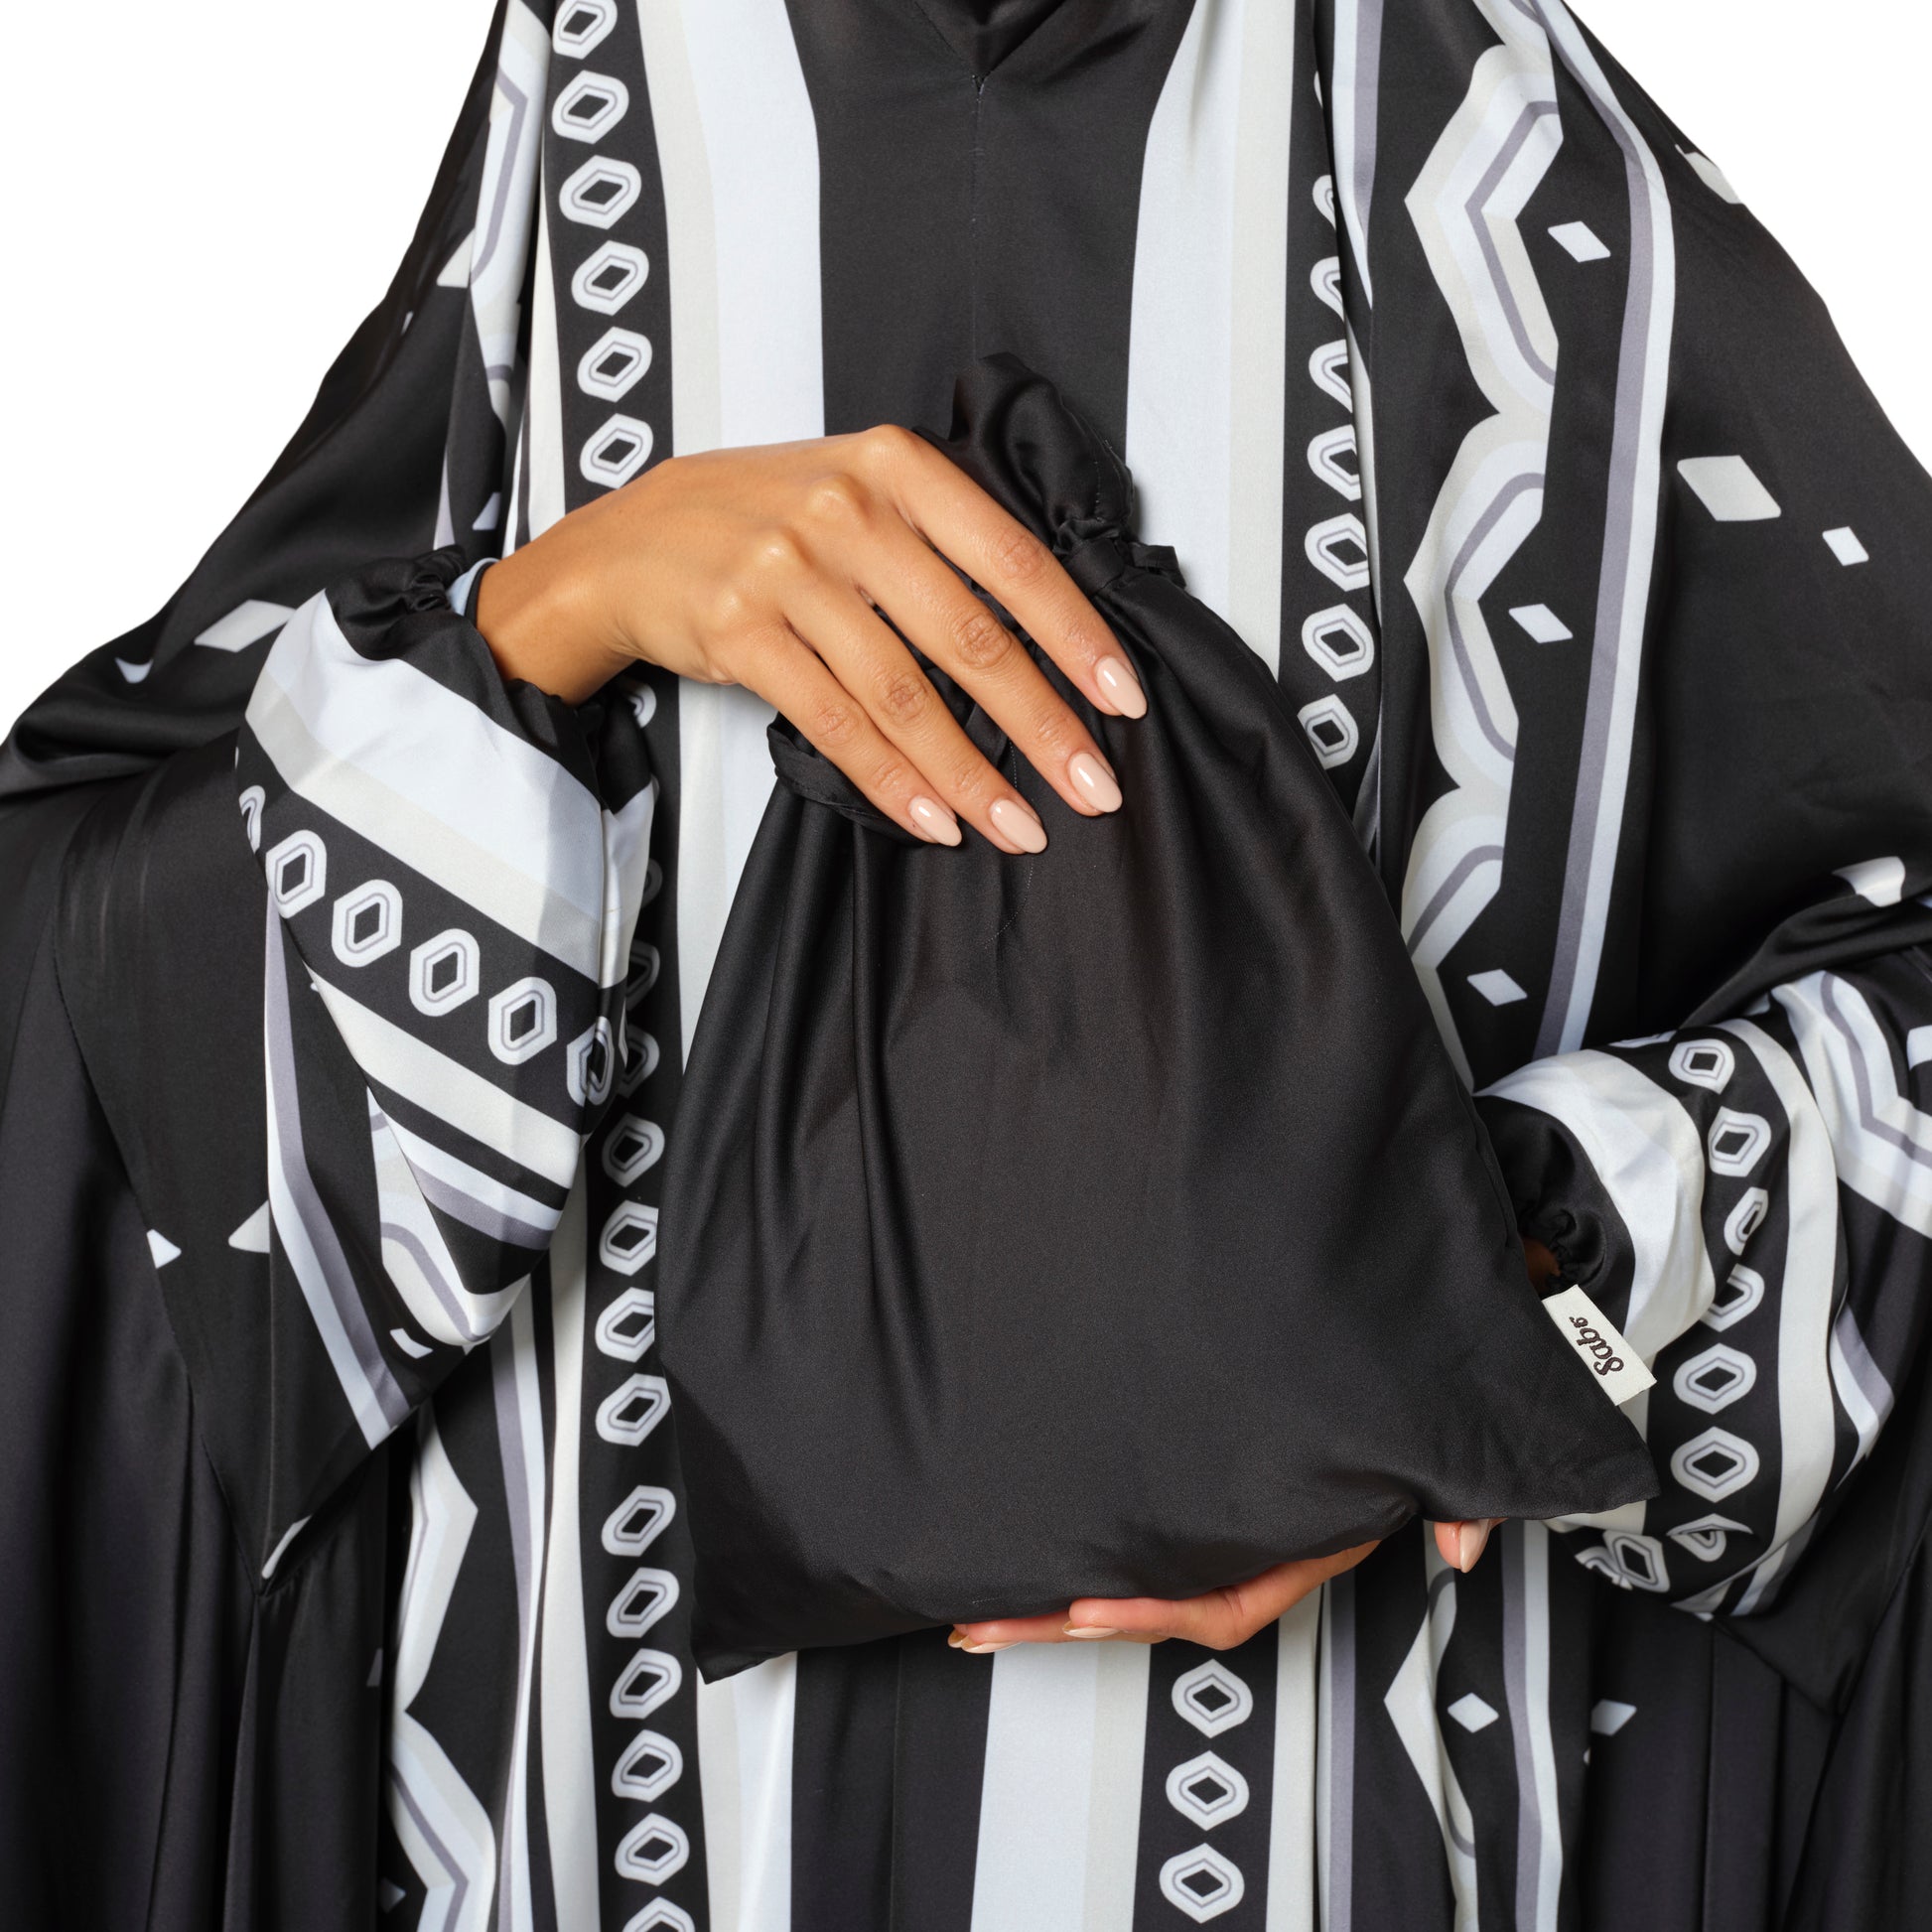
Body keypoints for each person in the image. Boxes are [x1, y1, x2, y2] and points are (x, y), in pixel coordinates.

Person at [2, 0, 1928, 1926]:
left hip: (1313, 1799)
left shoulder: (1479, 135)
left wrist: (1473, 1305)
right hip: (619, 1766)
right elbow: (98, 967)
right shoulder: (605, 84)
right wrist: (560, 605)